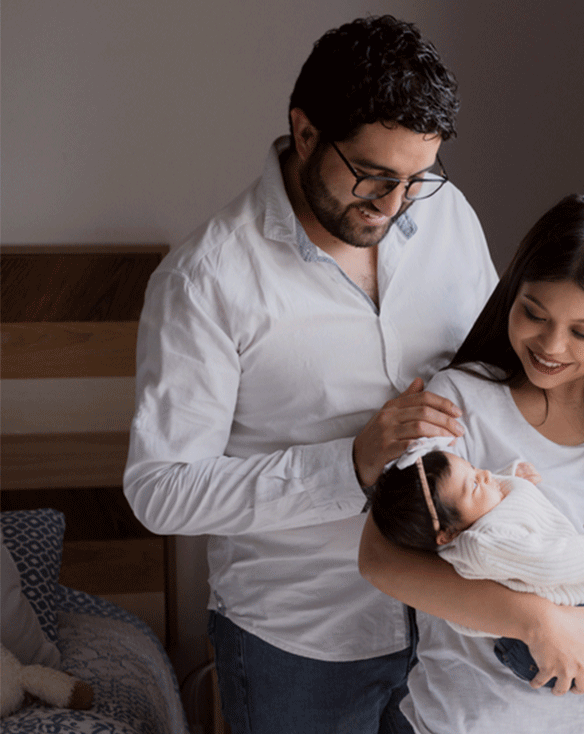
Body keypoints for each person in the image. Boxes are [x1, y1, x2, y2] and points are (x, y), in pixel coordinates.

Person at [124, 16, 500, 734]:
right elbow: (160, 491)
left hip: (456, 617)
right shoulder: (207, 282)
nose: (393, 205)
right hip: (300, 648)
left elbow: (496, 380)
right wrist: (350, 465)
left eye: (416, 178)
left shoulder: (447, 217)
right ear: (304, 133)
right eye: (372, 176)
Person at [359, 193, 584, 733]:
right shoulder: (459, 403)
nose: (551, 345)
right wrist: (536, 621)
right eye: (533, 313)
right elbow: (382, 559)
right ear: (512, 292)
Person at [369, 438, 584, 722]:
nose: (485, 475)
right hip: (531, 649)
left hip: (570, 611)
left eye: (474, 469)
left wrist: (511, 475)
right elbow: (546, 561)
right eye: (473, 484)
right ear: (448, 533)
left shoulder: (478, 514)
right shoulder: (484, 544)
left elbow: (490, 495)